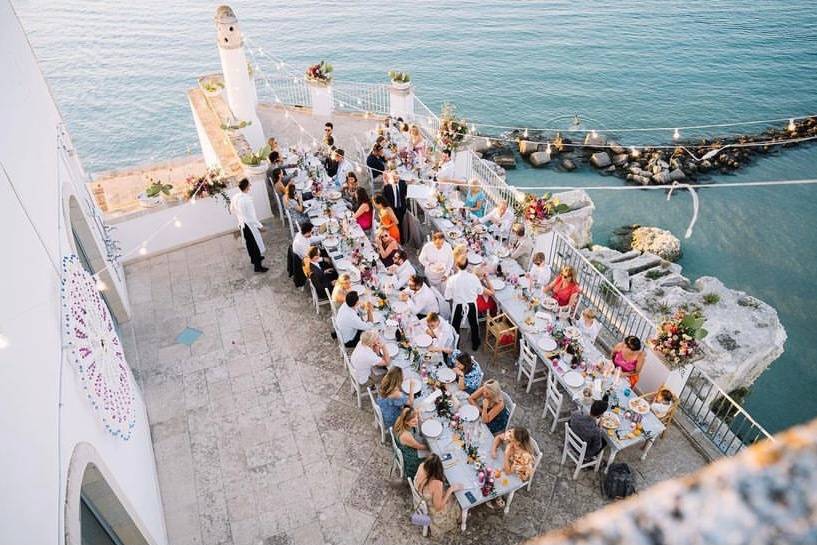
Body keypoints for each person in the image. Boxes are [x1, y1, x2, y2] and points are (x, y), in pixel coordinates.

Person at [445, 260, 494, 351]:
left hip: (458, 305)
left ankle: (455, 346)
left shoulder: (451, 279)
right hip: (471, 304)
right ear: (467, 265)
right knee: (474, 324)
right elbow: (480, 291)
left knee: (455, 327)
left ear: (456, 265)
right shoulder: (474, 278)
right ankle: (475, 344)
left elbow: (447, 296)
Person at [414, 454, 462, 535]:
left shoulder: (421, 466)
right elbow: (438, 507)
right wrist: (450, 490)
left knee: (446, 490)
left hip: (422, 497)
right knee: (457, 500)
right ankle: (460, 521)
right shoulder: (436, 484)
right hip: (432, 511)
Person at [230, 178, 267, 272]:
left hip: (242, 224)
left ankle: (255, 260)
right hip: (249, 225)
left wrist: (240, 216)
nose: (250, 186)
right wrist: (260, 226)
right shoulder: (247, 200)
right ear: (247, 187)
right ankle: (258, 266)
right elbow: (252, 217)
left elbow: (231, 210)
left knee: (250, 245)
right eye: (249, 185)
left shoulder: (236, 197)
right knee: (255, 246)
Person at [393, 407, 427, 479]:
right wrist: (432, 446)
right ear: (406, 422)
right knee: (434, 455)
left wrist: (417, 415)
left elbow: (416, 414)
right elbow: (420, 447)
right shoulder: (406, 435)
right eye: (413, 421)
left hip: (409, 445)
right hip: (411, 456)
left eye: (416, 418)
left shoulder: (402, 419)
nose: (417, 422)